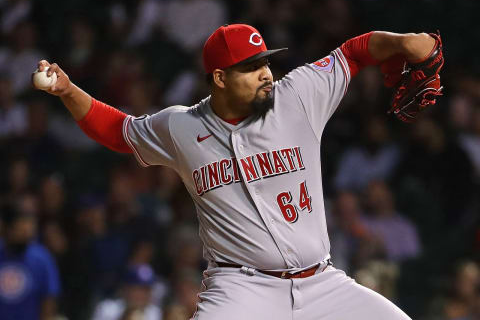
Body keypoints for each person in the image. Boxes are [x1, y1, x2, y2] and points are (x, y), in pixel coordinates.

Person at [33, 23, 439, 319]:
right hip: (242, 289)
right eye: (251, 66)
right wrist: (68, 91)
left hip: (323, 284)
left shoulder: (297, 95)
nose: (266, 73)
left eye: (265, 61)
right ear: (220, 78)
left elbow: (354, 51)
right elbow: (119, 131)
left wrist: (403, 42)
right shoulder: (181, 126)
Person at [0, 200, 61, 320]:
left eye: (31, 224)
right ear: (7, 227)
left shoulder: (41, 257)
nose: (28, 230)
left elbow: (49, 299)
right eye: (22, 224)